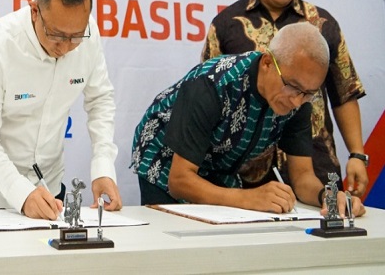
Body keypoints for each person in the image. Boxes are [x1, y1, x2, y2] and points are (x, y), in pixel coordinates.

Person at [132, 23, 365, 217]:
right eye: (292, 87)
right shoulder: (212, 85)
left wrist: (329, 196)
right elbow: (180, 180)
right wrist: (248, 198)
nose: (296, 101)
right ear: (267, 63)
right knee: (176, 240)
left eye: (308, 93)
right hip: (165, 160)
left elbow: (302, 176)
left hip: (218, 165)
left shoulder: (300, 100)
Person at [201, 0, 368, 196]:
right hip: (244, 178)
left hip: (315, 168)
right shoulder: (226, 25)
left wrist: (357, 154)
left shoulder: (322, 24)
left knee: (332, 217)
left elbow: (344, 92)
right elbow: (209, 98)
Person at [0, 0, 121, 220]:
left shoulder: (89, 35)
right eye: (56, 34)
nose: (65, 47)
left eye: (76, 36)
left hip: (48, 186)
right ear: (35, 11)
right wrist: (22, 193)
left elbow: (100, 100)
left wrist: (103, 168)